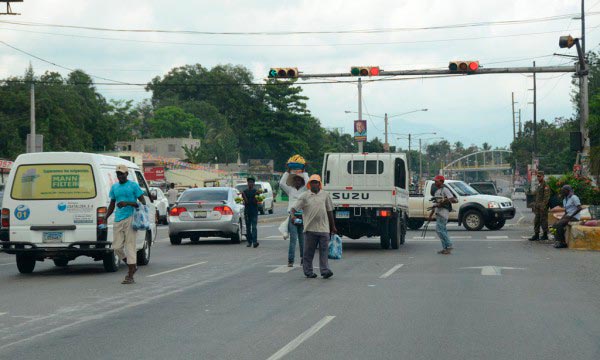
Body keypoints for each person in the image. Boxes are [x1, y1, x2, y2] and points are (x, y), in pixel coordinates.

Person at [105, 164, 146, 284]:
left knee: (129, 245)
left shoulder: (133, 185)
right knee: (116, 247)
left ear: (127, 174)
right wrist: (105, 217)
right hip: (118, 219)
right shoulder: (114, 187)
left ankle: (130, 274)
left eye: (122, 174)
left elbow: (142, 202)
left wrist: (128, 203)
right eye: (118, 174)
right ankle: (132, 265)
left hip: (131, 218)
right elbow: (112, 204)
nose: (120, 176)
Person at [291, 174, 337, 279]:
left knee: (324, 251)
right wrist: (293, 217)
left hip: (324, 228)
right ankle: (308, 272)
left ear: (319, 184)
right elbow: (294, 209)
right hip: (310, 229)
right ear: (309, 184)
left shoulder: (325, 195)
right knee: (308, 252)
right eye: (312, 182)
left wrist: (333, 226)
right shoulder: (305, 196)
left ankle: (325, 271)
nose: (314, 184)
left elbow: (330, 211)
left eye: (316, 182)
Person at [279, 167, 310, 267]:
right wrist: (287, 171)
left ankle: (303, 259)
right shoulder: (290, 190)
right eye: (296, 180)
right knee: (293, 239)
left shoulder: (305, 190)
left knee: (302, 240)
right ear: (293, 181)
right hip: (292, 216)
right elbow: (281, 184)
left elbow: (309, 183)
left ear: (302, 181)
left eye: (299, 180)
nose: (297, 181)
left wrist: (304, 171)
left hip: (302, 216)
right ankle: (290, 260)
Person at [427, 175, 458, 255]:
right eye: (435, 181)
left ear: (441, 181)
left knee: (440, 230)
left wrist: (442, 202)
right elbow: (435, 204)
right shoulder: (437, 192)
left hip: (443, 213)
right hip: (438, 213)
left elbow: (452, 199)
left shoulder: (445, 190)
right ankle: (445, 248)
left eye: (436, 181)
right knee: (442, 231)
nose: (435, 182)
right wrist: (430, 215)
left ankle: (449, 245)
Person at [529, 171, 552, 241]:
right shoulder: (539, 185)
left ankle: (545, 234)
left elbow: (546, 197)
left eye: (540, 176)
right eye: (537, 176)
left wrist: (543, 205)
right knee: (536, 221)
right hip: (537, 206)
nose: (538, 177)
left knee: (543, 221)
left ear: (543, 176)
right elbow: (536, 195)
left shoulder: (545, 185)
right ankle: (536, 234)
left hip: (543, 207)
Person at [241, 177, 259, 248]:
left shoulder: (256, 191)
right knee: (248, 228)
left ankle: (255, 242)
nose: (250, 183)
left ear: (254, 184)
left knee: (254, 227)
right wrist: (243, 195)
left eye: (252, 182)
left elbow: (256, 201)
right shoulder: (245, 192)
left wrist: (256, 195)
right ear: (247, 183)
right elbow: (246, 202)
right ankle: (249, 242)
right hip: (247, 212)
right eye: (249, 182)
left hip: (254, 211)